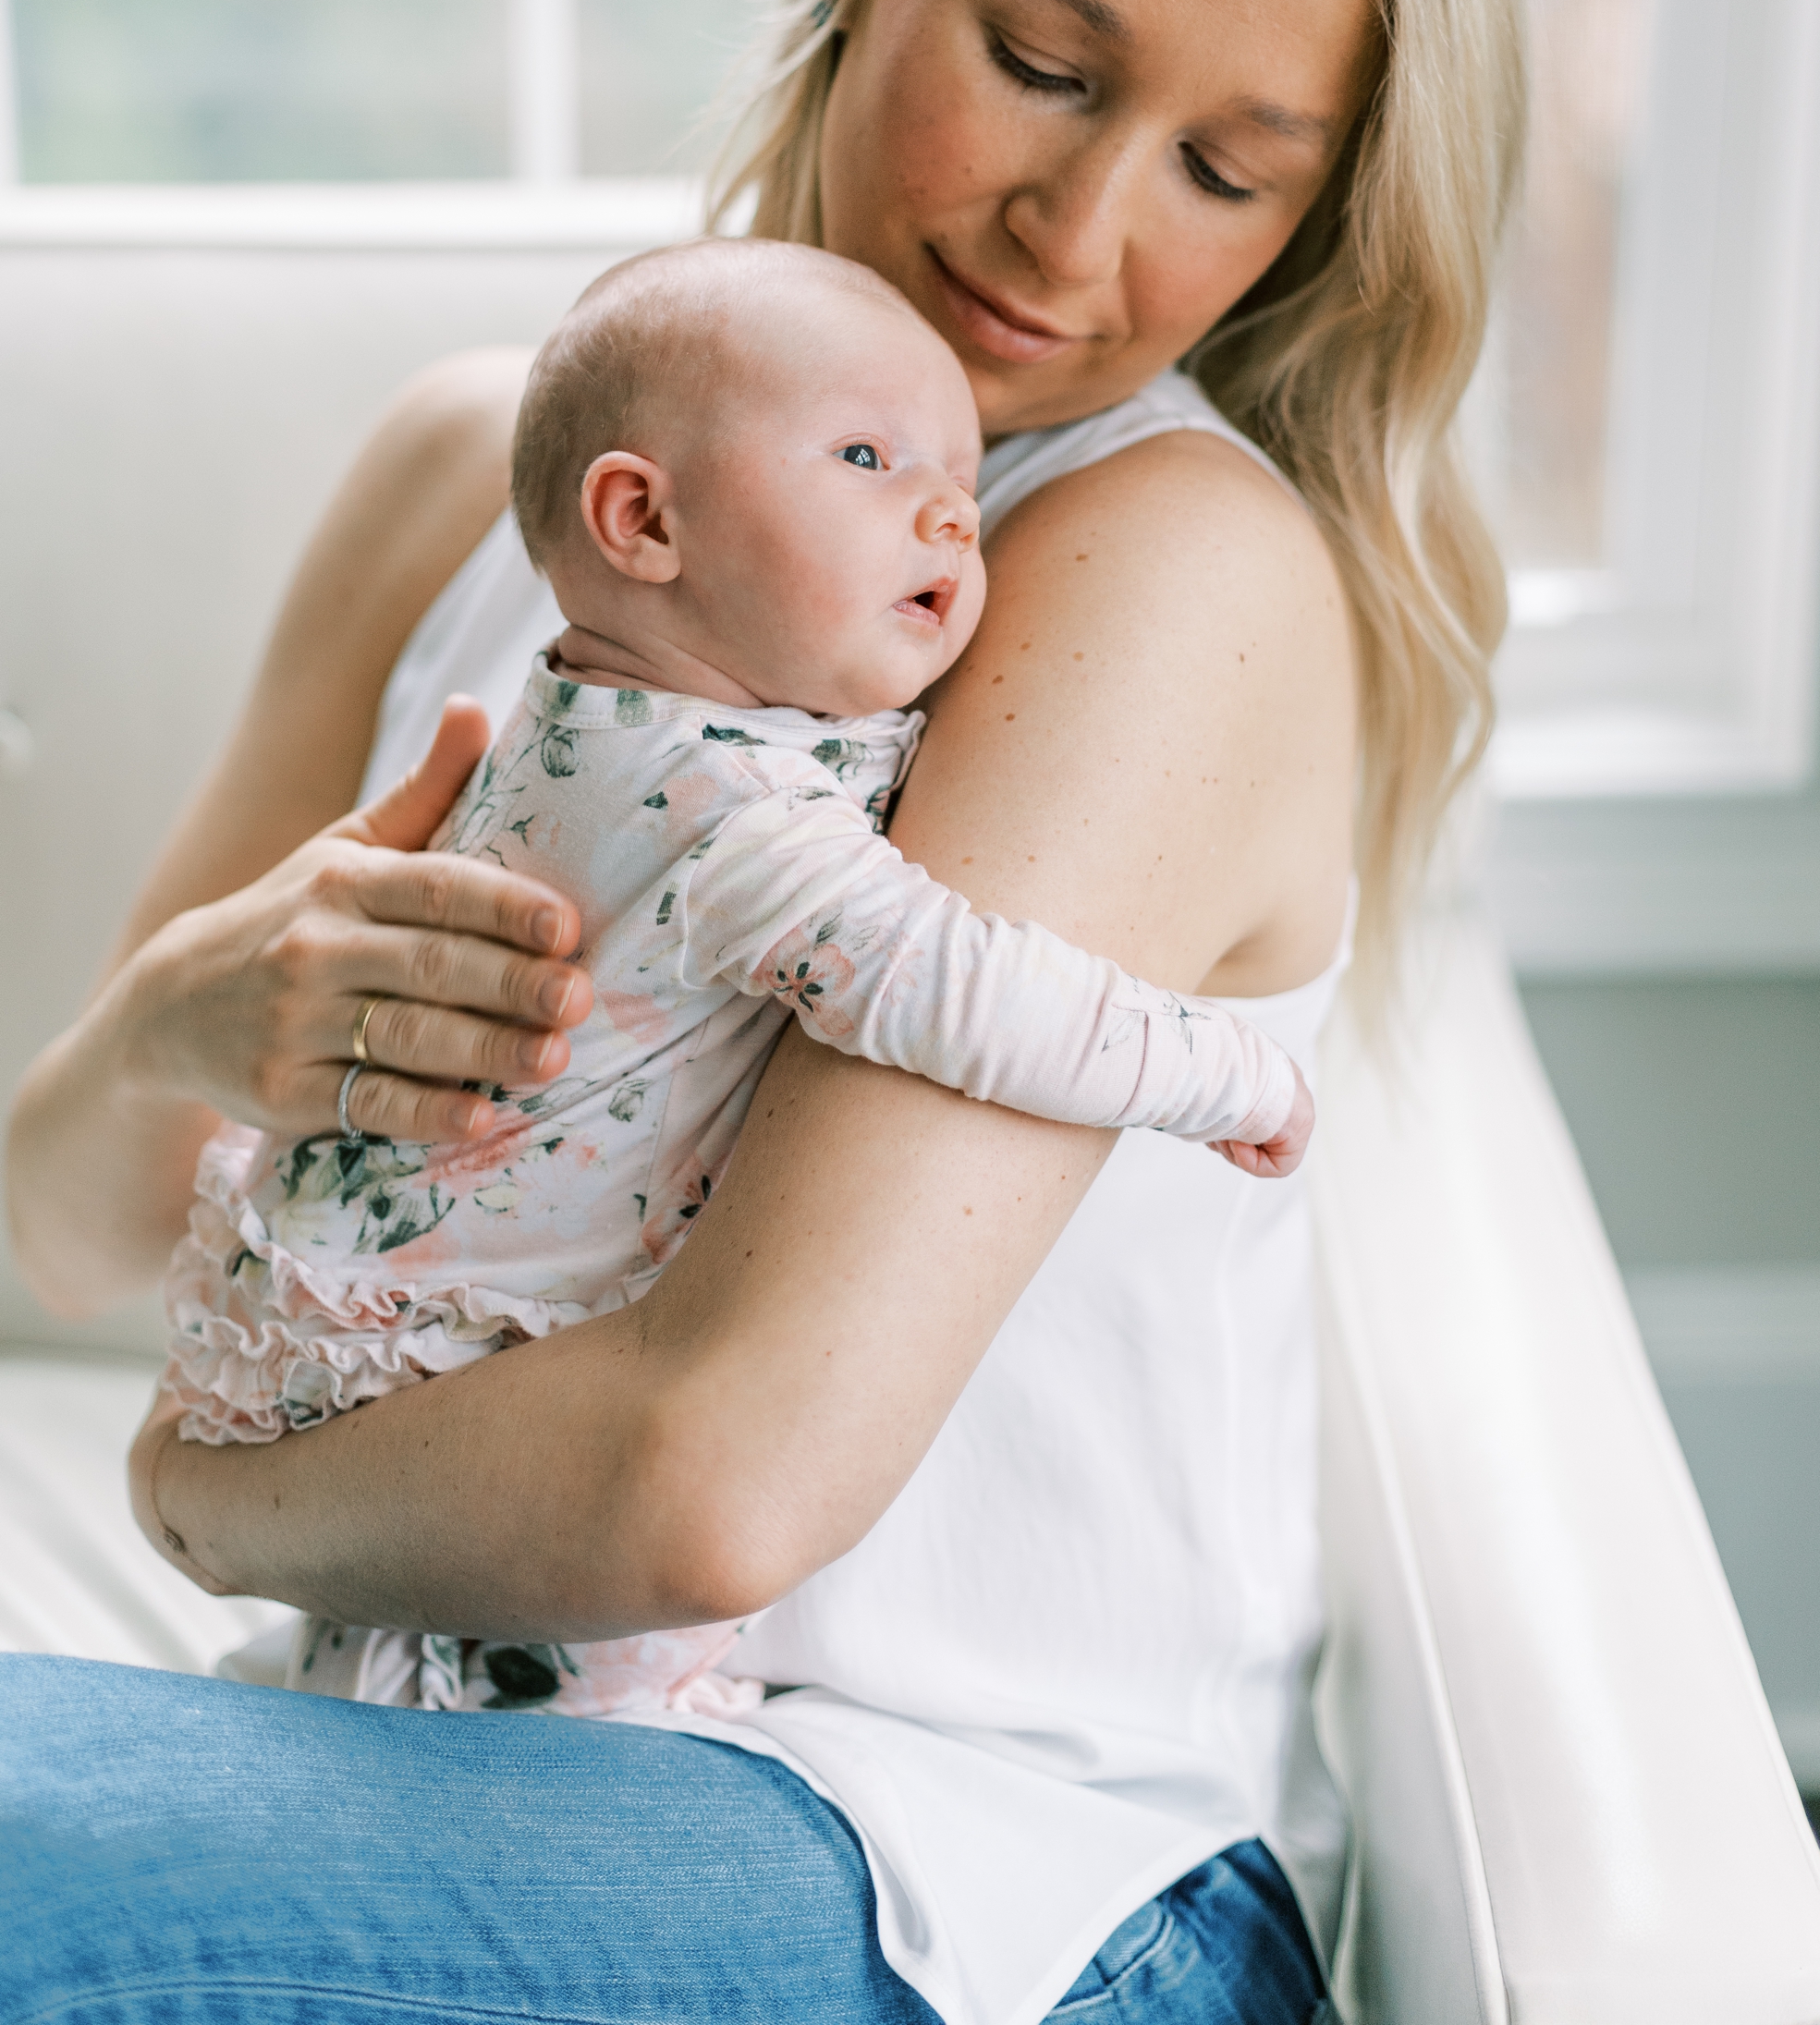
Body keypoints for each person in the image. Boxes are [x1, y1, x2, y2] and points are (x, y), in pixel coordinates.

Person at [1, 0, 1523, 2025]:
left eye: (1230, 170)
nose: (1084, 229)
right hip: (478, 1776)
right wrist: (186, 1026)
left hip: (975, 1878)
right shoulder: (461, 481)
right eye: (1043, 61)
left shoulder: (1160, 565)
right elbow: (58, 1232)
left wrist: (202, 1501)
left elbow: (714, 1488)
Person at [163, 238, 1309, 1725]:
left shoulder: (577, 724)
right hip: (476, 1410)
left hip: (352, 1352)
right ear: (641, 518)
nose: (951, 514)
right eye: (866, 456)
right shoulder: (729, 817)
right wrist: (1226, 1075)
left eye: (956, 476)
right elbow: (960, 994)